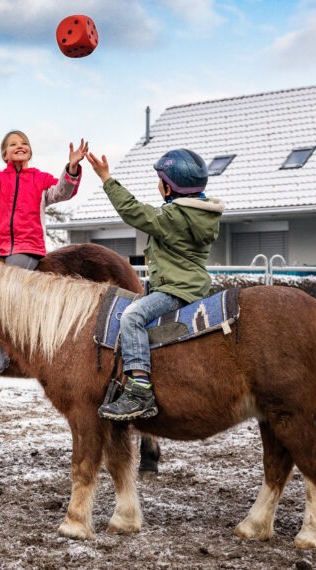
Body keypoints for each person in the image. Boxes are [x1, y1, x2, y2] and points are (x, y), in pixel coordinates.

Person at [86, 148, 224, 420]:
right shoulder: (199, 215)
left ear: (169, 187)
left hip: (175, 290)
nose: (157, 185)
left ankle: (139, 389)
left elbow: (133, 211)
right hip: (189, 287)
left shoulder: (174, 217)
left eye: (160, 180)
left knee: (132, 316)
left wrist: (106, 179)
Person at [0, 130, 88, 371]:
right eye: (13, 144)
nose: (19, 146)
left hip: (27, 247)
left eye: (24, 143)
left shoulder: (40, 179)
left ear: (30, 151)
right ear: (4, 155)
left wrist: (72, 168)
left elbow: (62, 191)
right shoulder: (0, 179)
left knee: (3, 292)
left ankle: (1, 355)